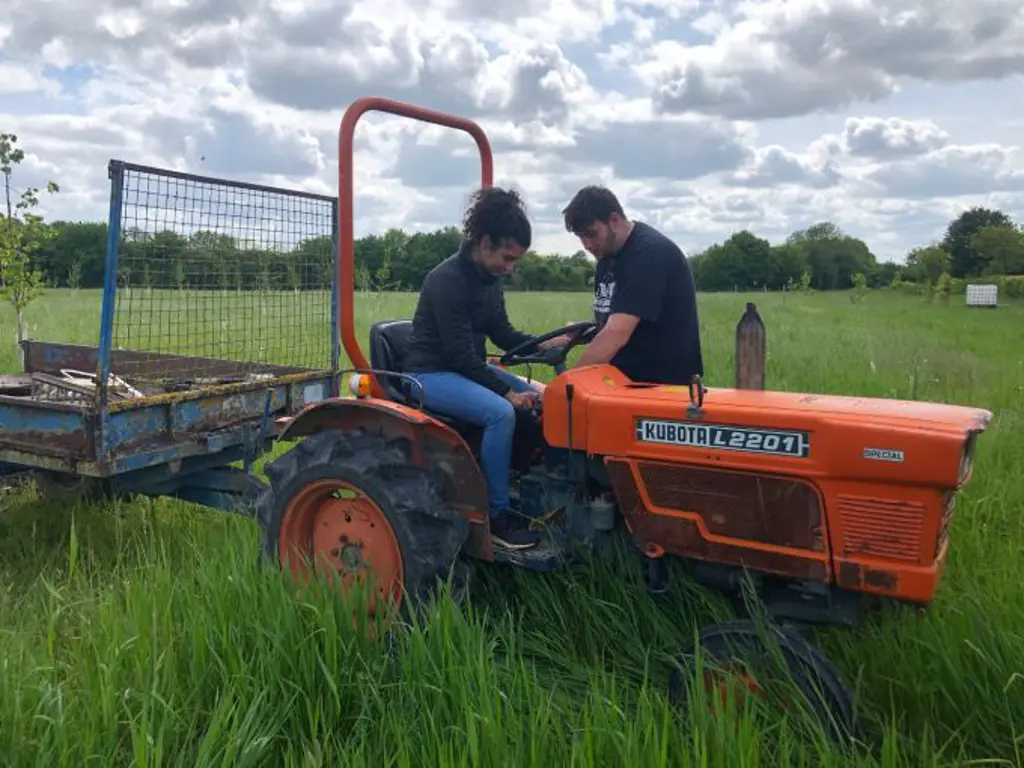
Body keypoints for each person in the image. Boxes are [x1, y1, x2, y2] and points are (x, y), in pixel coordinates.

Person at [403, 186, 570, 551]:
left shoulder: (489, 280)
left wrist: (545, 343)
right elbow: (460, 355)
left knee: (549, 397)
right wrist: (507, 392)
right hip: (430, 374)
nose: (509, 268)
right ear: (484, 242)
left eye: (515, 261)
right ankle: (497, 518)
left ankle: (537, 489)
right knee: (500, 414)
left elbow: (503, 333)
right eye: (506, 258)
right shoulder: (447, 281)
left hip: (463, 368)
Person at [561, 185, 703, 385]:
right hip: (623, 381)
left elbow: (616, 334)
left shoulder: (648, 255)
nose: (587, 245)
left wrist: (568, 386)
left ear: (614, 221)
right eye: (581, 237)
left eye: (591, 234)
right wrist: (584, 332)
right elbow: (618, 324)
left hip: (659, 387)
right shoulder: (608, 257)